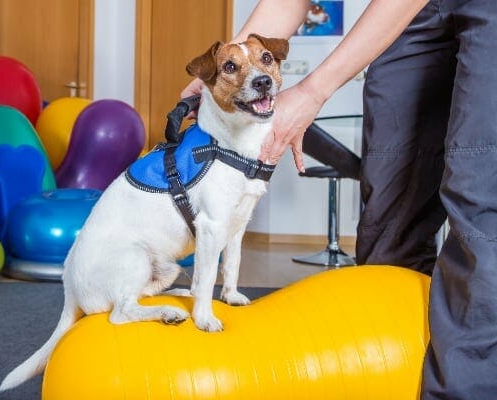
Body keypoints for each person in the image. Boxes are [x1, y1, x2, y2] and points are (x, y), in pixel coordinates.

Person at [181, 0, 497, 399]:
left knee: (479, 197)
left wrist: (312, 92)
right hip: (421, 14)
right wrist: (226, 72)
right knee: (390, 207)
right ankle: (387, 373)